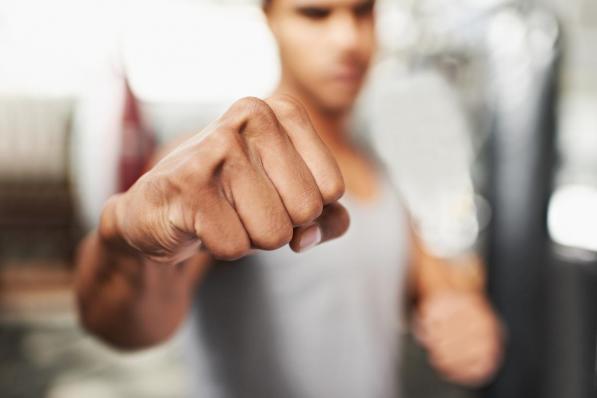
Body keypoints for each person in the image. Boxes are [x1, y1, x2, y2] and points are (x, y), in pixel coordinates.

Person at [75, 0, 503, 396]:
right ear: (270, 19)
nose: (348, 40)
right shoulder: (222, 164)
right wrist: (123, 235)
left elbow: (435, 284)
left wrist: (464, 316)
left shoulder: (377, 170)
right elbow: (127, 324)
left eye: (362, 12)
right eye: (315, 14)